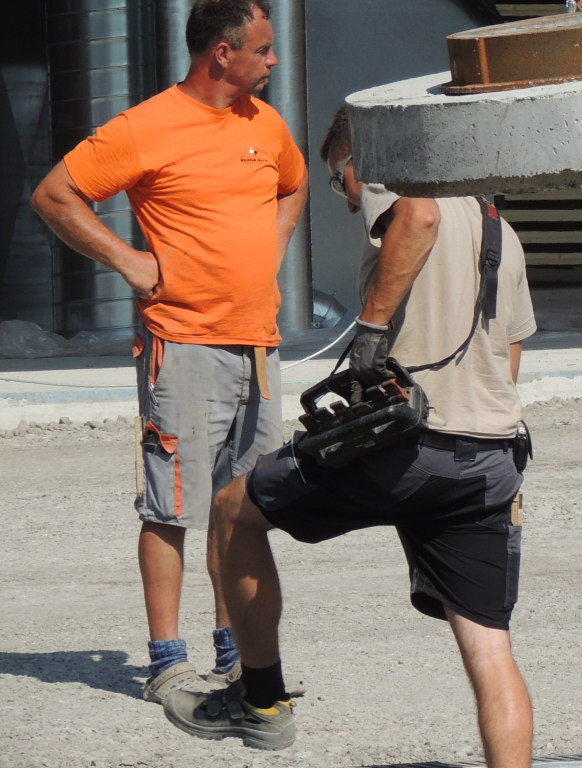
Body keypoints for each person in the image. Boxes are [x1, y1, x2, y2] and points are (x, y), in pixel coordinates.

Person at [164, 106, 537, 761]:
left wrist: (371, 327)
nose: (348, 199)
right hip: (490, 458)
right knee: (489, 650)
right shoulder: (497, 225)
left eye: (342, 179)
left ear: (365, 157)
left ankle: (260, 701)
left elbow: (418, 217)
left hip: (409, 445)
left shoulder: (398, 180)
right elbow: (510, 356)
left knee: (232, 511)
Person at [29, 0, 309, 704]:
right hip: (183, 345)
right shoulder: (147, 126)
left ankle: (235, 652)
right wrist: (127, 260)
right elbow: (55, 195)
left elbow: (294, 185)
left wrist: (275, 243)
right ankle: (165, 661)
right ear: (222, 54)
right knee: (171, 507)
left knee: (242, 507)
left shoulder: (266, 124)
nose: (274, 60)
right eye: (263, 50)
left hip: (259, 346)